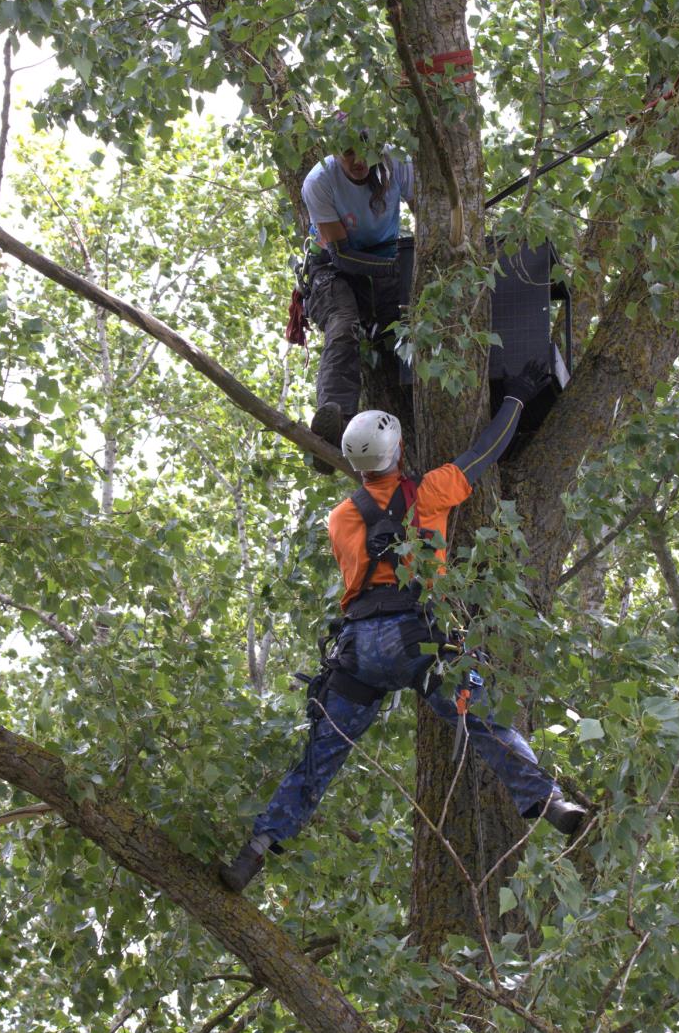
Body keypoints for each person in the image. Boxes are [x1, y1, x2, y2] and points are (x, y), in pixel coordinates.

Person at [219, 363, 587, 893]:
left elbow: (369, 529)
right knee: (484, 721)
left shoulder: (339, 518)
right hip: (418, 638)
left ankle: (254, 851)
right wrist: (519, 398)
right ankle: (547, 800)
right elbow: (485, 452)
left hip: (359, 652)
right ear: (397, 451)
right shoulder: (430, 493)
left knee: (319, 757)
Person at [301, 127, 414, 469]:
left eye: (366, 149)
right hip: (334, 269)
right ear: (334, 151)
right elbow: (343, 257)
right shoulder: (319, 181)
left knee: (402, 338)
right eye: (348, 151)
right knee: (344, 324)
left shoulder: (398, 163)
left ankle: (400, 439)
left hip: (384, 264)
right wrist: (397, 267)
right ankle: (332, 430)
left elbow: (432, 219)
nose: (358, 160)